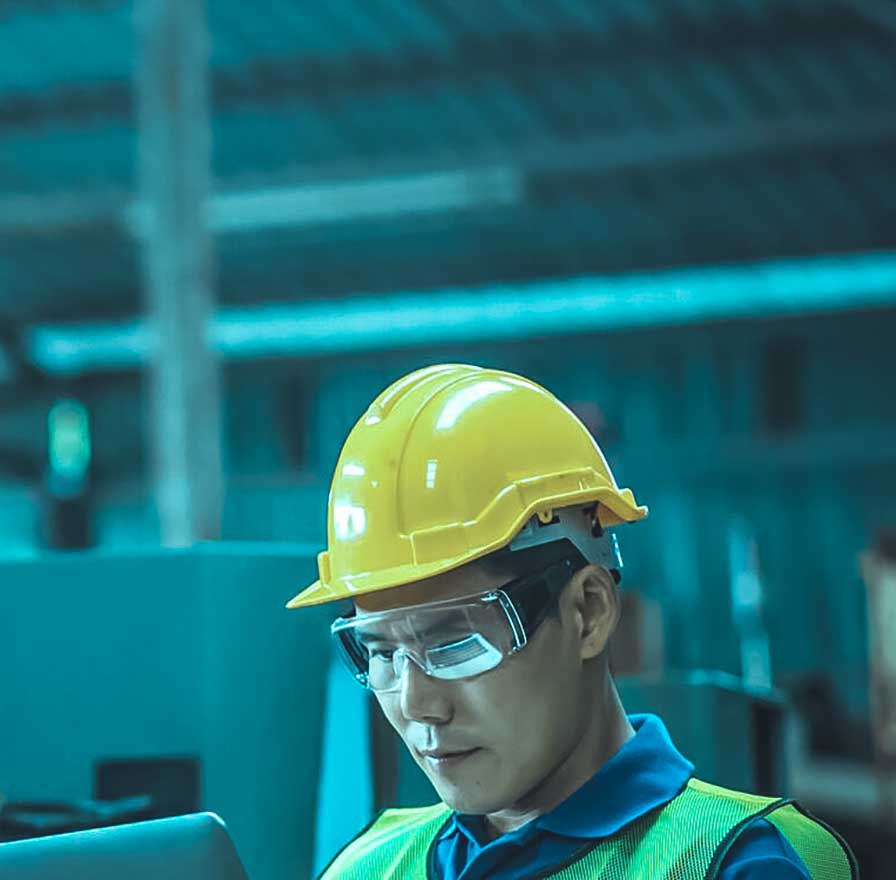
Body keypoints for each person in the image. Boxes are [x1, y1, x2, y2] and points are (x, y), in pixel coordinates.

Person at [299, 365, 854, 879]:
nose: (417, 702)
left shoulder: (732, 862)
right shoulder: (370, 867)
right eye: (381, 653)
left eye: (456, 642)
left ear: (588, 611)